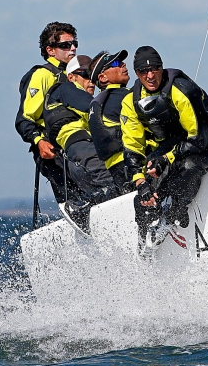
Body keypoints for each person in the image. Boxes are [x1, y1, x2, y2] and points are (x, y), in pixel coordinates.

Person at [121, 46, 208, 247]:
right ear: (136, 75)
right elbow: (132, 147)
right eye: (143, 72)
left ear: (162, 68)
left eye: (154, 69)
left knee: (189, 167)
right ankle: (143, 243)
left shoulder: (182, 90)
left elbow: (198, 140)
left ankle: (171, 216)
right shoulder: (131, 101)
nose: (150, 76)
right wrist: (141, 183)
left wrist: (166, 159)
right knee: (144, 187)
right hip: (171, 150)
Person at [43, 53, 120, 228]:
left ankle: (88, 210)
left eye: (93, 75)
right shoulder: (65, 89)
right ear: (71, 77)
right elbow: (94, 109)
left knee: (116, 193)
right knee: (114, 185)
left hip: (84, 157)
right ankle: (79, 208)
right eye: (85, 75)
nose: (91, 80)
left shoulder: (85, 99)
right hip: (83, 152)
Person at [15, 21, 83, 207]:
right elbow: (24, 119)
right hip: (53, 151)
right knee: (74, 200)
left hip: (77, 144)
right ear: (50, 50)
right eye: (65, 45)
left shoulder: (77, 74)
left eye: (74, 43)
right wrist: (39, 142)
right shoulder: (42, 75)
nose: (73, 48)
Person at [88, 50, 133, 195]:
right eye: (116, 63)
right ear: (103, 78)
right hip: (133, 165)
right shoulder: (124, 96)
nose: (123, 65)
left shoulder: (98, 103)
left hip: (116, 171)